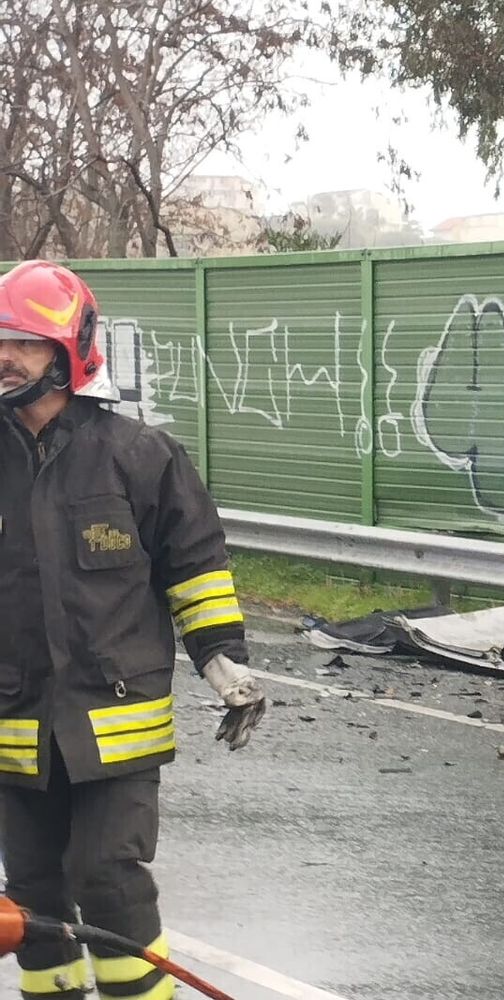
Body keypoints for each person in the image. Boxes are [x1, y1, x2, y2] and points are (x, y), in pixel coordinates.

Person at [0, 260, 267, 999]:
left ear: (69, 351)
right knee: (33, 900)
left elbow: (196, 565)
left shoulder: (139, 456)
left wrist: (223, 660)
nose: (5, 356)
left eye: (24, 342)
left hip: (114, 722)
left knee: (107, 879)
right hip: (16, 721)